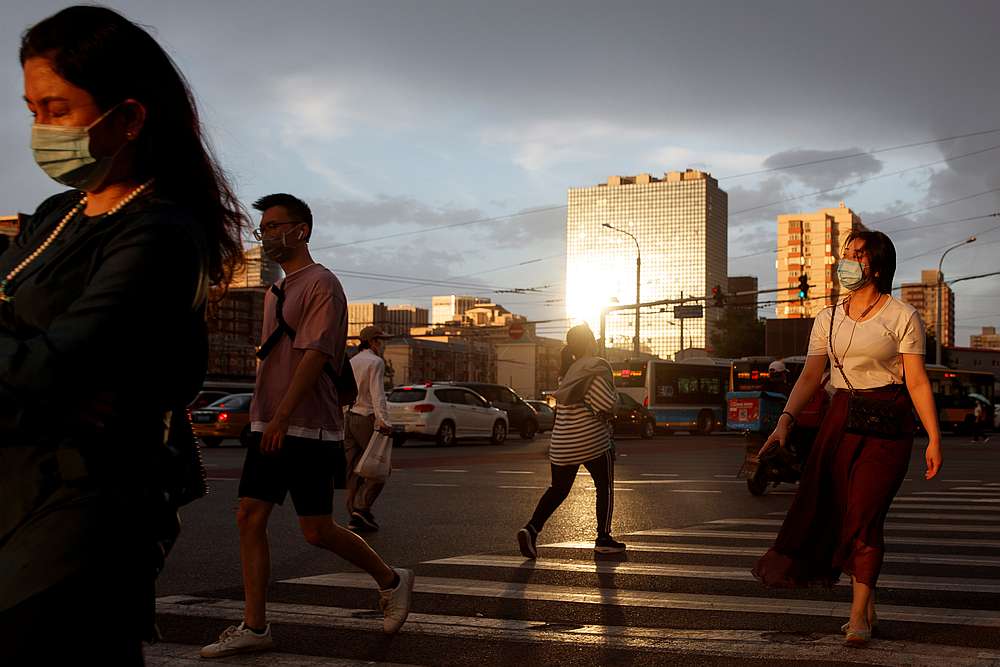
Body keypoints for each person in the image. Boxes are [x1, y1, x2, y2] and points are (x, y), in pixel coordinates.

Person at [0, 6, 245, 663]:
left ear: (130, 118)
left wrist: (43, 376)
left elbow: (53, 365)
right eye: (31, 109)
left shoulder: (161, 231)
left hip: (86, 513)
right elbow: (37, 366)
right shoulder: (57, 216)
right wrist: (39, 379)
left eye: (56, 108)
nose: (39, 129)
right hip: (19, 490)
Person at [201, 193, 412, 659]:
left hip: (307, 427)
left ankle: (392, 580)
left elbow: (315, 356)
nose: (269, 236)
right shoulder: (276, 291)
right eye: (264, 229)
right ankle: (255, 627)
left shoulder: (323, 285)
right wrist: (265, 416)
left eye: (277, 226)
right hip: (268, 423)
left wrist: (281, 416)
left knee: (316, 530)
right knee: (248, 516)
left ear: (303, 230)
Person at [752, 230, 943, 646]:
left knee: (864, 515)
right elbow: (809, 377)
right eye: (845, 253)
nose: (847, 261)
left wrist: (933, 437)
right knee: (840, 513)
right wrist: (785, 419)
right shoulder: (828, 317)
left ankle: (857, 616)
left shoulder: (901, 316)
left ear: (876, 265)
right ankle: (866, 603)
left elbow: (917, 383)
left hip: (888, 423)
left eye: (857, 255)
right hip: (841, 419)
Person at [517, 323, 626, 558]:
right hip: (592, 442)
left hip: (562, 443)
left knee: (558, 489)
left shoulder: (567, 373)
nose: (596, 341)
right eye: (593, 338)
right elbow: (607, 405)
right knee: (604, 487)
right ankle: (603, 537)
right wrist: (615, 400)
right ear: (588, 343)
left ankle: (531, 529)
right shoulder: (594, 370)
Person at [345, 325, 393, 532]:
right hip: (366, 418)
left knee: (354, 469)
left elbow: (344, 391)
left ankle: (355, 514)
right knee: (378, 468)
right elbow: (377, 393)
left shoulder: (352, 361)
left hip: (348, 418)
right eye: (381, 341)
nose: (383, 345)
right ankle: (361, 509)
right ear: (373, 342)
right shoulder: (376, 362)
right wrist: (384, 420)